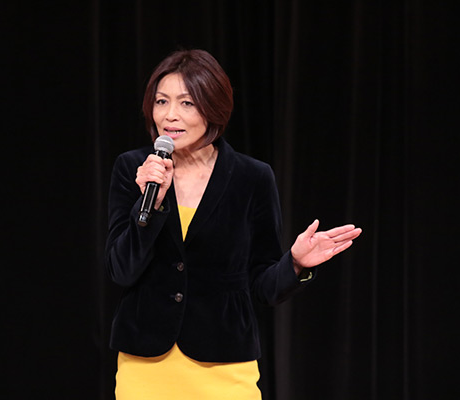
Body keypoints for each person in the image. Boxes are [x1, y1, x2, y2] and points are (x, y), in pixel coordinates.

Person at [105, 49, 362, 399]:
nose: (169, 115)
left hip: (224, 364)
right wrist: (152, 203)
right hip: (146, 364)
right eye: (161, 101)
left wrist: (295, 263)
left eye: (186, 103)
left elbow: (262, 285)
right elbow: (121, 270)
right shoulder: (133, 169)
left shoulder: (252, 177)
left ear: (213, 107)